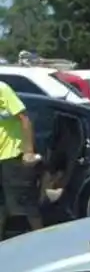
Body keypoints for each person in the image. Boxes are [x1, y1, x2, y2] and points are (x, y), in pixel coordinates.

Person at [0, 81, 43, 239]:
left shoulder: (2, 89)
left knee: (26, 202)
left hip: (12, 156)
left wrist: (29, 151)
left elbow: (24, 120)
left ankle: (42, 238)